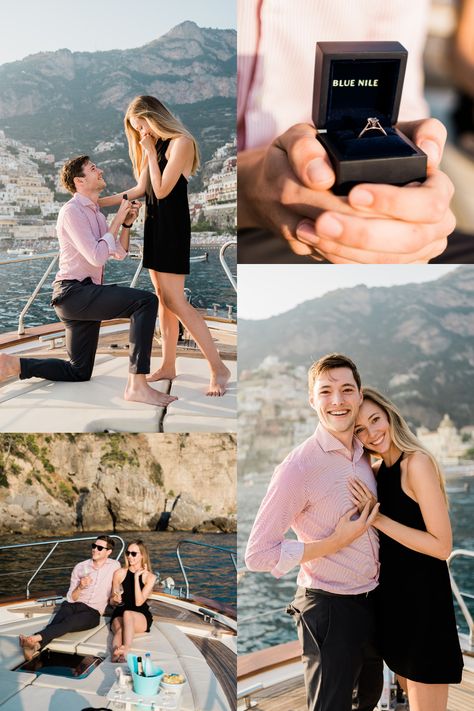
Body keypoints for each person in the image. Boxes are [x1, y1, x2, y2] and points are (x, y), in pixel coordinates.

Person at [238, 0, 457, 264]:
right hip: (250, 224)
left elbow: (402, 106)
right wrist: (246, 186)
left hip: (343, 215)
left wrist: (415, 209)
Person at [245, 353, 382, 711]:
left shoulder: (364, 454)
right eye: (326, 391)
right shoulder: (298, 467)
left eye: (346, 390)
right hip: (328, 608)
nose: (337, 400)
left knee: (367, 699)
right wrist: (334, 542)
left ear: (359, 394)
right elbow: (258, 555)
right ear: (312, 400)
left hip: (372, 602)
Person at [0, 155, 176, 407]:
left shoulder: (95, 213)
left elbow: (119, 252)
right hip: (73, 294)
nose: (100, 171)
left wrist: (125, 224)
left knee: (79, 371)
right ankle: (137, 385)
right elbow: (95, 257)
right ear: (79, 180)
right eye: (94, 169)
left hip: (83, 295)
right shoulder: (71, 212)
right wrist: (116, 220)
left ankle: (13, 364)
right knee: (145, 302)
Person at [99, 95, 231, 397]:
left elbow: (161, 189)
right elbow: (140, 190)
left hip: (173, 229)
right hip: (155, 226)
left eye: (141, 125)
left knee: (176, 300)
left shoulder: (181, 142)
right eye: (135, 129)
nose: (141, 133)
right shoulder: (154, 147)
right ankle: (168, 364)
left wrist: (147, 151)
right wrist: (94, 202)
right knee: (162, 298)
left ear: (153, 117)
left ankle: (218, 367)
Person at [350, 387, 463, 711]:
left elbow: (442, 546)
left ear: (389, 415)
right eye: (360, 429)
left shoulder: (417, 463)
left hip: (424, 608)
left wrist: (378, 518)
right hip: (394, 606)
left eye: (375, 420)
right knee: (409, 696)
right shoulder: (376, 472)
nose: (372, 433)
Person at [19, 536, 120, 661]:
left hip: (93, 612)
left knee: (69, 622)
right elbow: (71, 598)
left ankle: (33, 639)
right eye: (93, 546)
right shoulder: (80, 567)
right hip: (73, 604)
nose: (95, 549)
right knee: (57, 622)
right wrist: (80, 587)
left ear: (108, 552)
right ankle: (35, 646)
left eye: (99, 548)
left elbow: (120, 583)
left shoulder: (115, 566)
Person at [109, 539, 156, 663]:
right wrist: (115, 600)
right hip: (120, 611)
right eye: (128, 553)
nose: (129, 556)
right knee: (119, 630)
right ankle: (115, 653)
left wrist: (136, 578)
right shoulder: (119, 573)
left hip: (140, 615)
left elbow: (139, 602)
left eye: (133, 554)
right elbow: (111, 602)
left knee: (127, 614)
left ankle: (126, 651)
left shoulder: (150, 577)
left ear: (142, 556)